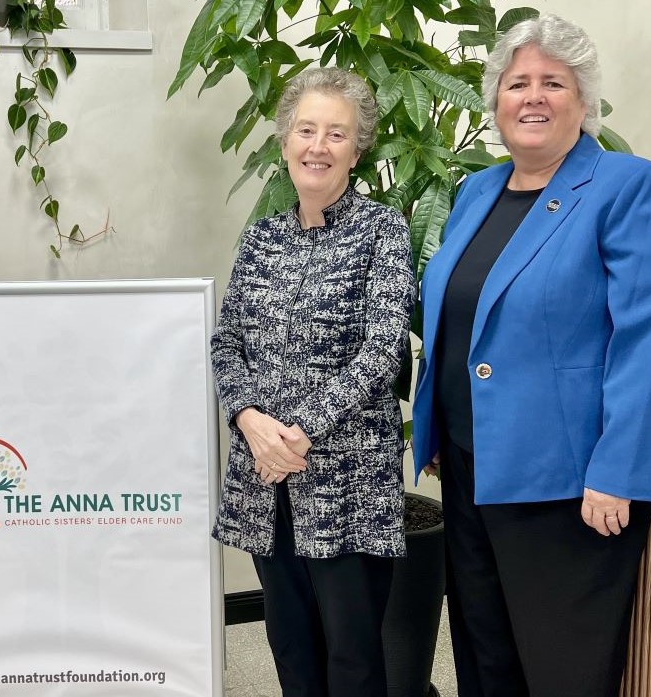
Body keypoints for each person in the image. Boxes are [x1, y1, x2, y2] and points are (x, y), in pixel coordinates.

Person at [412, 14, 651, 697]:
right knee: (484, 654)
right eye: (517, 84)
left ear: (583, 101)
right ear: (496, 103)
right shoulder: (475, 191)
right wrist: (432, 427)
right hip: (469, 465)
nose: (532, 97)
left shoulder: (629, 186)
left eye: (553, 82)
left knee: (561, 668)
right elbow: (458, 320)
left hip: (570, 484)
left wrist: (619, 469)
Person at [211, 67, 415, 697]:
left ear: (358, 149)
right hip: (263, 483)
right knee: (291, 648)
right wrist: (249, 420)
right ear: (284, 142)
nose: (317, 146)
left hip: (346, 486)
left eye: (336, 133)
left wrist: (297, 435)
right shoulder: (262, 237)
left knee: (353, 658)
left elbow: (382, 351)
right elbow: (227, 343)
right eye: (306, 130)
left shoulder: (383, 231)